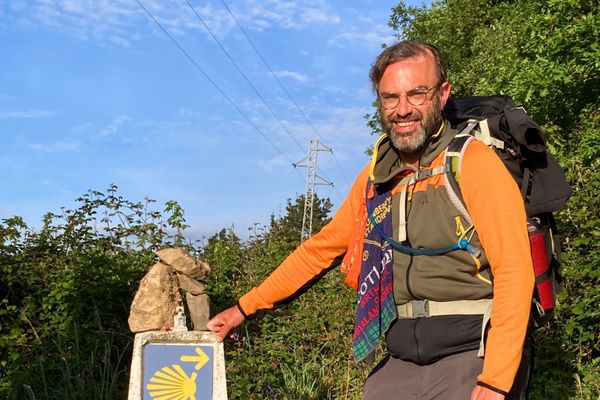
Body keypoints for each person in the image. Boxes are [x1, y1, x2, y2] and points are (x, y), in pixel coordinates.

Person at [207, 40, 534, 400]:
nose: (403, 109)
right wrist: (241, 308)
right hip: (403, 356)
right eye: (390, 97)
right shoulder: (376, 180)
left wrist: (496, 380)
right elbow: (319, 251)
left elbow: (515, 270)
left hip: (472, 352)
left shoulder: (473, 164)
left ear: (442, 95)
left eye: (417, 94)